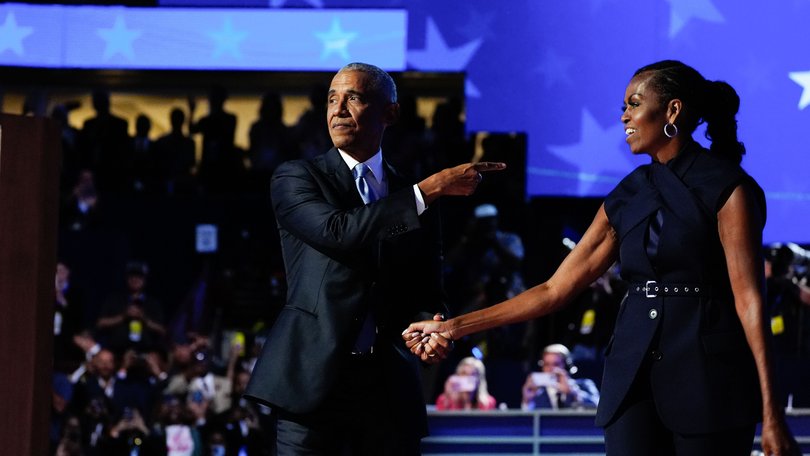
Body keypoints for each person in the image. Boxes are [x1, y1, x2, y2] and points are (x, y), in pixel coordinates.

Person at [403, 60, 799, 455]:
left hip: (710, 379)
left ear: (672, 111)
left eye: (634, 104)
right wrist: (453, 327)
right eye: (623, 106)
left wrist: (772, 413)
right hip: (631, 377)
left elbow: (750, 300)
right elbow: (552, 291)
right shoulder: (628, 194)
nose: (624, 116)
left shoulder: (729, 188)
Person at [242, 62, 505, 455]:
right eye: (332, 99)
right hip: (313, 386)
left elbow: (427, 285)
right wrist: (427, 190)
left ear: (390, 113)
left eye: (355, 98)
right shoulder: (297, 178)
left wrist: (431, 326)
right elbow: (339, 232)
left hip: (388, 390)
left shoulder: (415, 195)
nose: (338, 109)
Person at [520, 344, 599, 410]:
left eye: (556, 364)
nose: (551, 369)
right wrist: (527, 400)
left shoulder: (584, 384)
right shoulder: (537, 393)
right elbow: (528, 422)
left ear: (567, 366)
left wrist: (573, 393)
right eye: (547, 364)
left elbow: (598, 406)